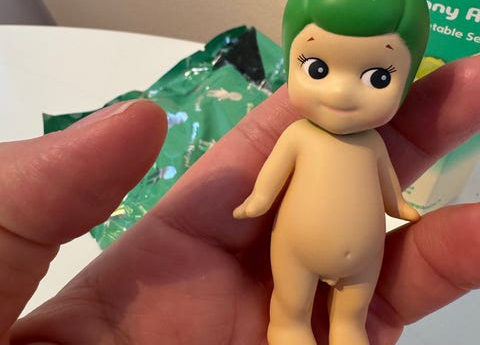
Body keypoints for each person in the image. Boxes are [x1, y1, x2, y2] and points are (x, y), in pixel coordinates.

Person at [2, 55, 479, 344]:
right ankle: (288, 329)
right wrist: (257, 201)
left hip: (364, 255)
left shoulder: (371, 143)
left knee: (352, 316)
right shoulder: (299, 134)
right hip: (296, 249)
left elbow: (386, 182)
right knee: (291, 307)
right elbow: (272, 175)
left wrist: (399, 207)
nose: (342, 91)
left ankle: (347, 330)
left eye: (377, 78)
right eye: (318, 69)